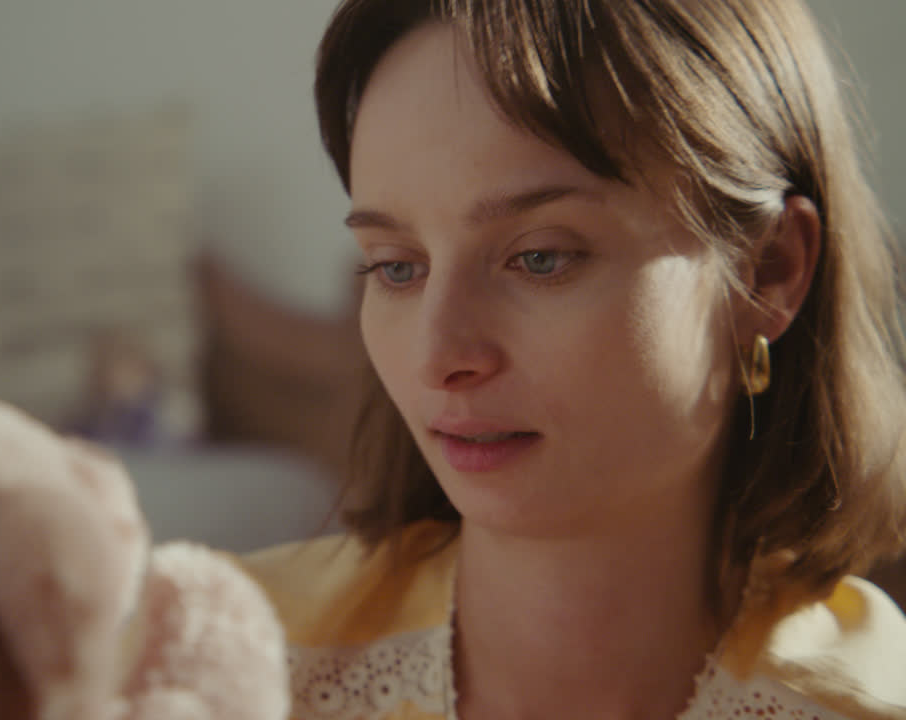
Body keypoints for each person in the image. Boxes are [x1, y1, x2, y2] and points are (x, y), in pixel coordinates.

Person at [238, 1, 906, 718]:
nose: (439, 356)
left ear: (769, 271)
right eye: (397, 267)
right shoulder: (219, 662)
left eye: (540, 257)